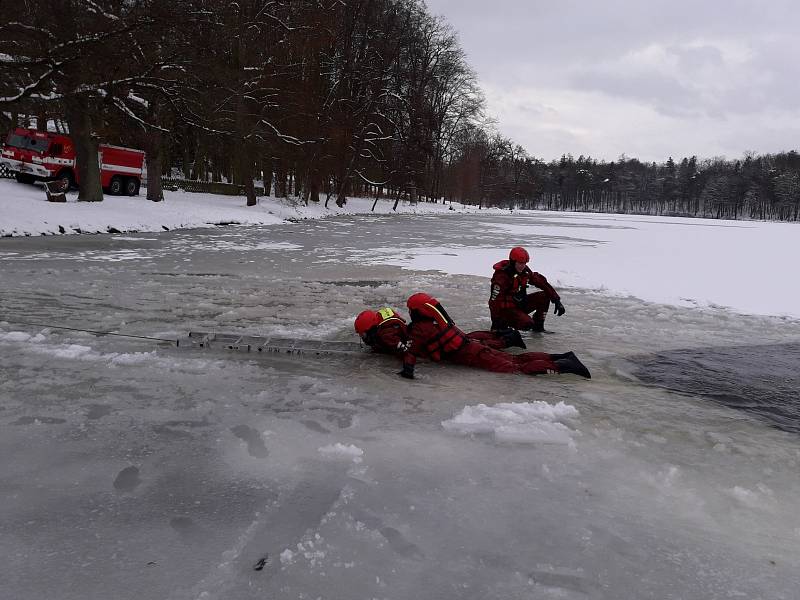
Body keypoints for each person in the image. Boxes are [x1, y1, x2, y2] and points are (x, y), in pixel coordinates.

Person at [398, 292, 590, 380]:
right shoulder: (437, 321)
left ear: (418, 312)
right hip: (476, 348)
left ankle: (563, 366)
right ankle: (561, 356)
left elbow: (411, 351)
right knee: (517, 359)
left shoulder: (421, 329)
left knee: (517, 369)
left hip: (474, 354)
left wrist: (407, 371)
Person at [354, 306, 526, 357]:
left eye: (363, 334)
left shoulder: (385, 335)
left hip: (423, 345)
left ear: (371, 329)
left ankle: (505, 340)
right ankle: (501, 335)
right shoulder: (384, 319)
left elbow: (402, 350)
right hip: (420, 333)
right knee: (463, 338)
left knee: (466, 345)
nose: (364, 338)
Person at [489, 246, 565, 332]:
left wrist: (556, 300)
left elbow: (541, 282)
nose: (523, 266)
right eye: (520, 263)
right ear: (513, 262)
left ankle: (538, 326)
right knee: (527, 324)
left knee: (544, 296)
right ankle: (505, 324)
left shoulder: (524, 271)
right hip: (507, 311)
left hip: (519, 304)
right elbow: (494, 302)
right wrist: (496, 324)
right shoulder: (502, 277)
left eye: (524, 263)